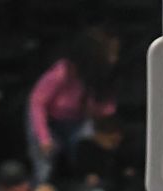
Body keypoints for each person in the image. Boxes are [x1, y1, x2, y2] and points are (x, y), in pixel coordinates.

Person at [27, 27, 119, 181]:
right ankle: (43, 188)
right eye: (110, 54)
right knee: (46, 160)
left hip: (77, 122)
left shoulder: (99, 75)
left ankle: (90, 185)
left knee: (90, 147)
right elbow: (37, 103)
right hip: (48, 121)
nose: (114, 59)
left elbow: (105, 109)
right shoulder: (62, 72)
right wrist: (44, 138)